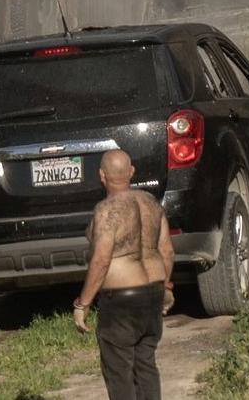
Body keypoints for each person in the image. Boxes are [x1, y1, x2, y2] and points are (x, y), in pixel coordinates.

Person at [73, 150, 176, 400]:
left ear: (101, 176)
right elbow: (167, 251)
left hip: (120, 303)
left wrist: (83, 303)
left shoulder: (106, 210)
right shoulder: (152, 204)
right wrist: (167, 288)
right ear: (131, 172)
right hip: (152, 292)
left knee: (119, 373)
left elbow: (101, 260)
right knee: (146, 366)